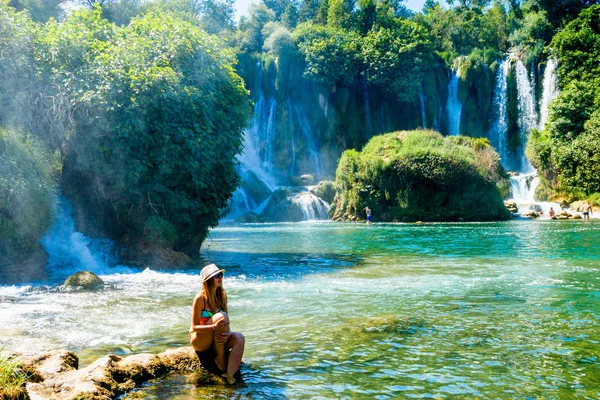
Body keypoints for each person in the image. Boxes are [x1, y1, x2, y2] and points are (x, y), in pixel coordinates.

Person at [190, 264, 245, 384]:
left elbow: (226, 324)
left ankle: (229, 375)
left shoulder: (222, 296)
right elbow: (194, 327)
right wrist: (214, 327)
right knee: (221, 316)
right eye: (216, 275)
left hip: (217, 339)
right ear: (209, 280)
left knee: (239, 337)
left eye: (221, 274)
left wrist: (227, 334)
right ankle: (220, 358)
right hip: (201, 339)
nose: (220, 277)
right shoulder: (200, 298)